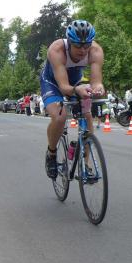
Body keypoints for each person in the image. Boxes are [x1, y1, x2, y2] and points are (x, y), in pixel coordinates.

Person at [41, 20, 104, 178]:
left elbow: (96, 81)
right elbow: (63, 87)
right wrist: (76, 90)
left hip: (75, 81)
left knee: (87, 114)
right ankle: (51, 153)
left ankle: (86, 165)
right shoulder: (57, 50)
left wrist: (98, 88)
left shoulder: (95, 50)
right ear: (69, 42)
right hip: (52, 83)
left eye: (86, 45)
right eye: (78, 46)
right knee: (60, 116)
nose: (83, 50)